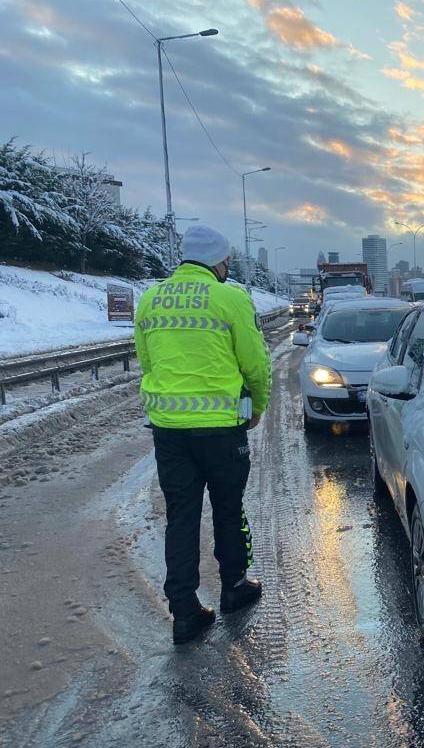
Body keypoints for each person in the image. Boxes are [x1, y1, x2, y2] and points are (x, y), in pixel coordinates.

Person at [134, 225, 271, 644]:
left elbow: (146, 361)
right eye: (227, 261)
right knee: (228, 508)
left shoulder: (151, 299)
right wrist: (258, 407)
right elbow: (255, 362)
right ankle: (234, 587)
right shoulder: (229, 297)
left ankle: (184, 612)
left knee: (181, 514)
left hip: (170, 431)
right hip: (220, 429)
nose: (227, 266)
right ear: (217, 261)